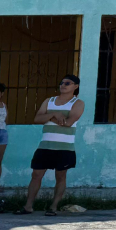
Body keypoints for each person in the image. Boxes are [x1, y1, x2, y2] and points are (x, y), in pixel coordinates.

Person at [20, 75, 84, 216]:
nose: (63, 85)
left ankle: (53, 207)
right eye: (62, 82)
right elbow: (37, 118)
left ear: (76, 86)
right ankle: (28, 206)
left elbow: (68, 123)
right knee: (36, 174)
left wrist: (49, 117)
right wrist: (55, 114)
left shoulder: (78, 103)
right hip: (45, 145)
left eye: (68, 83)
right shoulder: (49, 101)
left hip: (65, 147)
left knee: (60, 176)